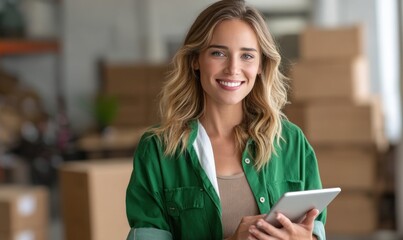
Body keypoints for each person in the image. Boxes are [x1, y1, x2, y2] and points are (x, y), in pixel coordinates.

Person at [126, 0, 326, 239]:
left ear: (261, 65)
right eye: (218, 53)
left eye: (247, 56)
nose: (233, 68)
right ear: (195, 60)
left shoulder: (291, 142)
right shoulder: (158, 149)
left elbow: (315, 230)